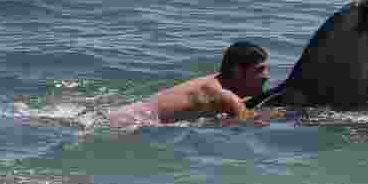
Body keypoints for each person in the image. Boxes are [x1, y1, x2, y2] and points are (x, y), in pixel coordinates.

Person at [109, 41, 272, 127]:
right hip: (133, 122)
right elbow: (250, 123)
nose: (266, 76)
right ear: (237, 71)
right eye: (259, 70)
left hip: (130, 113)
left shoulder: (216, 82)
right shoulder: (225, 96)